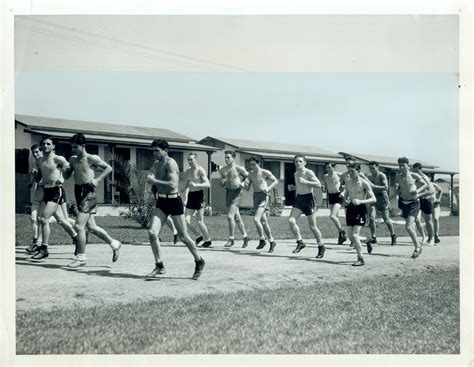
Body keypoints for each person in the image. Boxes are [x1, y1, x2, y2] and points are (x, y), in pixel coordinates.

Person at [145, 139, 205, 280]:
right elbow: (151, 175)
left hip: (173, 201)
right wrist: (151, 178)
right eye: (153, 151)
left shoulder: (171, 163)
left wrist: (155, 181)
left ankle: (199, 260)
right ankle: (159, 265)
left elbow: (172, 185)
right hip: (162, 201)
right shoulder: (157, 164)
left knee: (184, 237)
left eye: (157, 151)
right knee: (152, 233)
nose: (154, 154)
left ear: (165, 151)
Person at [64, 133, 122, 268]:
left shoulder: (91, 158)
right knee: (92, 227)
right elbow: (68, 175)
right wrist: (65, 170)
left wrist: (97, 179)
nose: (73, 150)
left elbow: (109, 168)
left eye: (75, 147)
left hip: (88, 193)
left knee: (79, 226)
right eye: (72, 147)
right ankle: (114, 244)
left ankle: (81, 257)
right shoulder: (73, 159)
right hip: (78, 191)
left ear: (83, 146)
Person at [30, 137, 79, 260]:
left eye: (48, 144)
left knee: (43, 218)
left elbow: (70, 171)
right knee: (61, 220)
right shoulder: (40, 160)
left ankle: (44, 249)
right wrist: (35, 176)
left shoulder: (58, 159)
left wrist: (62, 179)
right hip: (46, 191)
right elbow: (39, 178)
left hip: (57, 191)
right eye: (44, 144)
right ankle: (77, 238)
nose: (45, 146)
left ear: (53, 146)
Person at [288, 155, 326, 258]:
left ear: (305, 163)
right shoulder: (296, 174)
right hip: (299, 199)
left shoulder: (309, 172)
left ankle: (321, 246)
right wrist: (293, 188)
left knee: (313, 227)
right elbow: (300, 186)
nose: (298, 163)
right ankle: (300, 242)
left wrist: (306, 182)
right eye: (296, 161)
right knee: (291, 220)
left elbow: (318, 184)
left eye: (300, 161)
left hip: (309, 199)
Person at [343, 163, 376, 266]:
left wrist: (361, 201)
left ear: (358, 172)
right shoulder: (348, 182)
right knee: (351, 237)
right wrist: (345, 198)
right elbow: (346, 195)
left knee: (354, 234)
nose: (351, 174)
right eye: (349, 171)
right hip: (350, 209)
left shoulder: (364, 183)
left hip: (360, 209)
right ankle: (366, 240)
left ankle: (360, 258)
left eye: (353, 171)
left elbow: (374, 199)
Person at [396, 157, 429, 258]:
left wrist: (418, 191)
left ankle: (417, 247)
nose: (401, 167)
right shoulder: (398, 176)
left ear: (408, 165)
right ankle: (418, 245)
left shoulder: (414, 175)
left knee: (409, 227)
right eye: (400, 165)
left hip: (413, 203)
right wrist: (397, 193)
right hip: (404, 202)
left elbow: (425, 185)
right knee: (410, 227)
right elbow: (399, 188)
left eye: (403, 165)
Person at [244, 157, 278, 252]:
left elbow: (275, 181)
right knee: (264, 222)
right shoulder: (250, 174)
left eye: (254, 164)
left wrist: (268, 188)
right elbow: (247, 188)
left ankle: (262, 239)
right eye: (250, 164)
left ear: (259, 164)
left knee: (256, 219)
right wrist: (244, 184)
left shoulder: (264, 172)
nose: (252, 166)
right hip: (256, 196)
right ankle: (272, 241)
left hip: (264, 196)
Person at [181, 152, 212, 248]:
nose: (189, 162)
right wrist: (184, 189)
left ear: (196, 160)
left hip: (199, 196)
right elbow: (188, 183)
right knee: (186, 221)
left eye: (191, 159)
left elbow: (208, 184)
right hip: (191, 196)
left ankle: (208, 240)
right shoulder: (188, 171)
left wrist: (196, 185)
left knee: (199, 221)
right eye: (188, 160)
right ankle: (199, 236)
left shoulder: (200, 170)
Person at [219, 150, 249, 248]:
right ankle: (245, 237)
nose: (227, 159)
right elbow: (221, 184)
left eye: (228, 157)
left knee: (230, 216)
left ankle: (231, 239)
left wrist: (243, 183)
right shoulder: (223, 169)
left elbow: (249, 177)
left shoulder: (239, 168)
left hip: (237, 193)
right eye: (225, 157)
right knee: (237, 217)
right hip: (229, 192)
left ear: (233, 158)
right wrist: (222, 182)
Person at [366, 161, 397, 247]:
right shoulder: (369, 176)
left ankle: (393, 235)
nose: (371, 170)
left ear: (377, 167)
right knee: (371, 218)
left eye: (373, 168)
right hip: (373, 197)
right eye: (370, 168)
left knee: (386, 219)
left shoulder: (382, 175)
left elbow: (385, 187)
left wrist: (374, 186)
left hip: (382, 197)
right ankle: (374, 237)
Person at [322, 162, 347, 245]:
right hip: (331, 196)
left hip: (338, 196)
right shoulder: (325, 176)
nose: (328, 169)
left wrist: (343, 192)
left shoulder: (339, 175)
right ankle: (341, 236)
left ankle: (342, 231)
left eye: (329, 167)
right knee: (335, 217)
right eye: (326, 168)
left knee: (332, 216)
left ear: (333, 168)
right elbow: (325, 186)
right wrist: (324, 188)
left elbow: (347, 184)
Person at [412, 163, 437, 246]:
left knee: (428, 220)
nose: (415, 172)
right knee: (416, 219)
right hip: (417, 200)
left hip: (426, 200)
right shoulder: (414, 178)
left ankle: (431, 238)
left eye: (416, 171)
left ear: (420, 170)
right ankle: (424, 236)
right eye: (414, 171)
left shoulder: (425, 178)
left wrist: (419, 194)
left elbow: (431, 191)